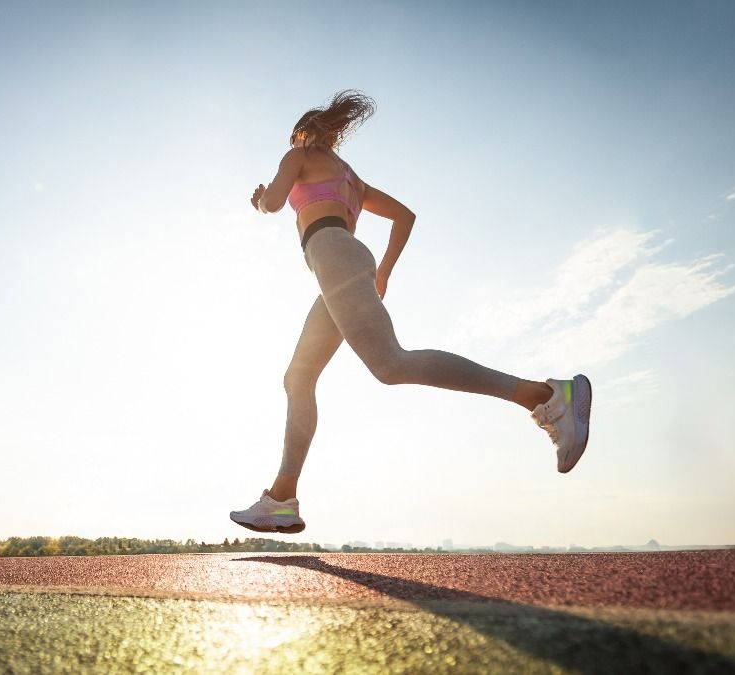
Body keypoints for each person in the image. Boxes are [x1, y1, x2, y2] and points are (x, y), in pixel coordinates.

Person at [230, 89, 592, 534]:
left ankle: (547, 396)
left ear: (305, 133)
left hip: (334, 259)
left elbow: (272, 203)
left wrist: (263, 198)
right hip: (342, 266)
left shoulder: (298, 153)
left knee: (390, 365)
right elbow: (405, 216)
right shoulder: (351, 178)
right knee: (298, 377)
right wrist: (381, 273)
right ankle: (281, 499)